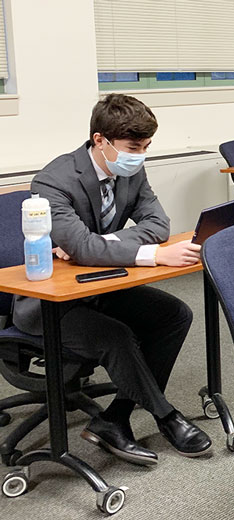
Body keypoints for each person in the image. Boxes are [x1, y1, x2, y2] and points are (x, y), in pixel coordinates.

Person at [12, 94, 211, 465]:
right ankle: (166, 416)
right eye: (134, 147)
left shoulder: (129, 170)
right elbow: (138, 242)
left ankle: (114, 418)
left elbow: (158, 225)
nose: (141, 155)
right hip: (48, 302)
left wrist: (97, 245)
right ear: (100, 140)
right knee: (116, 336)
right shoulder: (53, 181)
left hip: (101, 282)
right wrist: (152, 255)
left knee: (175, 315)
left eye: (147, 147)